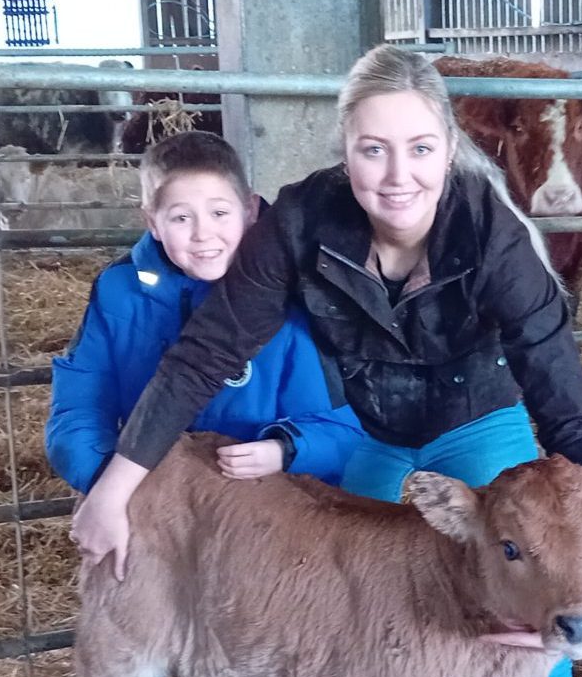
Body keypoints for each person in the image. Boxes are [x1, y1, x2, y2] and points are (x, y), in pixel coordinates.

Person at [70, 45, 582, 677]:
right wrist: (117, 485)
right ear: (345, 152)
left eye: (418, 147)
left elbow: (556, 377)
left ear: (448, 148)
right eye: (372, 149)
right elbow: (206, 351)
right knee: (355, 634)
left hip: (479, 425)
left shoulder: (491, 232)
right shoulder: (299, 222)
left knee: (533, 630)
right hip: (374, 435)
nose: (397, 175)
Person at [46, 129, 364, 496]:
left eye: (219, 212)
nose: (203, 234)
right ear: (153, 223)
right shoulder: (119, 293)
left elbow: (344, 427)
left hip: (275, 508)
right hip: (155, 499)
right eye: (181, 218)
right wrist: (108, 484)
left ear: (250, 210)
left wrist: (286, 449)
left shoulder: (297, 293)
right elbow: (78, 409)